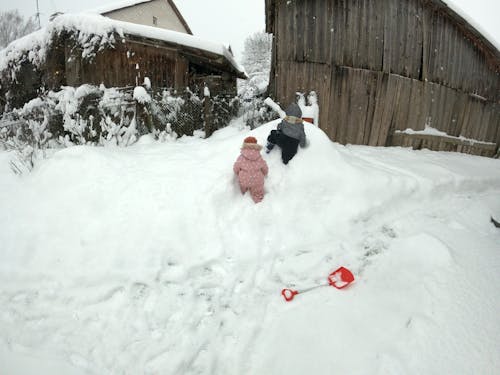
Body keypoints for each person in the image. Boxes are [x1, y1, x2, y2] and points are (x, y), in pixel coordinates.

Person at [233, 136, 269, 203]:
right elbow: (264, 167)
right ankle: (258, 201)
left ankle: (244, 191)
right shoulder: (259, 157)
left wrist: (237, 172)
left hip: (244, 178)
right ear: (256, 145)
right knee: (258, 190)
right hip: (257, 180)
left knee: (243, 183)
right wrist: (265, 173)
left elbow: (236, 167)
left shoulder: (241, 157)